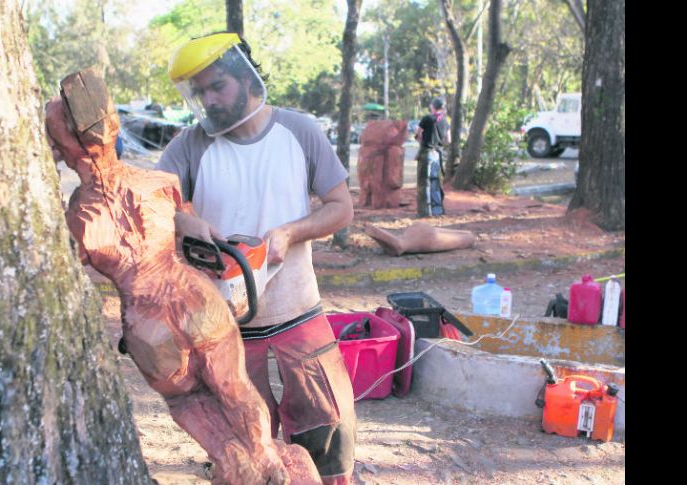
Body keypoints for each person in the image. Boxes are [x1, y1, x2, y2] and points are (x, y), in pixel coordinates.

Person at [45, 68, 320, 485]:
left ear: (62, 150)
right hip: (193, 296)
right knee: (237, 389)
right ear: (113, 124)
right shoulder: (159, 182)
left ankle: (236, 460)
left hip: (147, 324)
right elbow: (182, 217)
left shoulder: (77, 219)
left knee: (191, 403)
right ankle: (269, 460)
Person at [156, 32, 356, 485]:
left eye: (217, 85)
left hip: (299, 313)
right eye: (199, 91)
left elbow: (341, 207)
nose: (209, 99)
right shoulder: (189, 146)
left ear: (246, 77)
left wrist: (291, 231)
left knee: (329, 439)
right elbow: (150, 201)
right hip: (223, 330)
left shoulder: (299, 131)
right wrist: (182, 219)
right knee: (245, 458)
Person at [415, 98, 451, 217]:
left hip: (426, 153)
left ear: (433, 107)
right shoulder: (445, 121)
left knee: (424, 182)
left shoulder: (427, 119)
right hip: (438, 154)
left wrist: (421, 140)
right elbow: (448, 140)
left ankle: (425, 212)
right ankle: (437, 211)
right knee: (435, 182)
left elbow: (417, 133)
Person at [364, 222, 475, 256]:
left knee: (466, 236)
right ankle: (398, 244)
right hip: (422, 235)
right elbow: (469, 237)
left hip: (418, 232)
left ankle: (398, 243)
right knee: (467, 237)